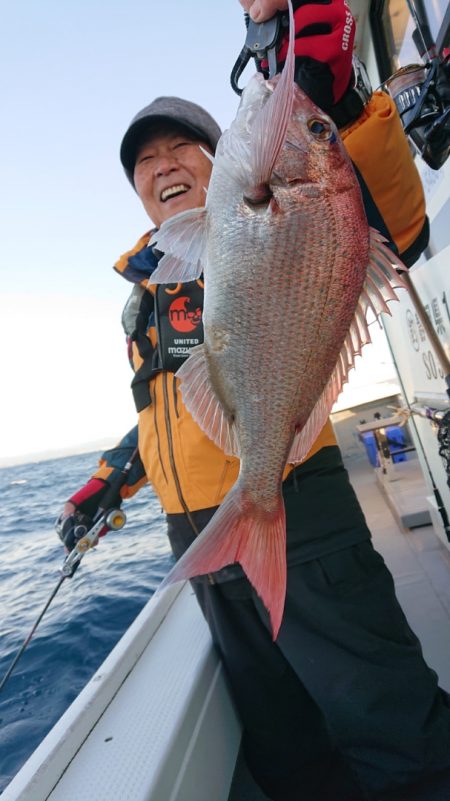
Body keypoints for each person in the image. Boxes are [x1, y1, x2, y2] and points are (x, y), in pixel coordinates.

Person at [58, 1, 450, 799]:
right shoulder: (142, 295)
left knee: (389, 721)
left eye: (181, 146)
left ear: (225, 158)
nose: (163, 164)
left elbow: (391, 226)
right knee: (285, 745)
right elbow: (162, 417)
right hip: (204, 544)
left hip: (297, 513)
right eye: (145, 160)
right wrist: (107, 482)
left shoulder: (275, 211)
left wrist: (338, 105)